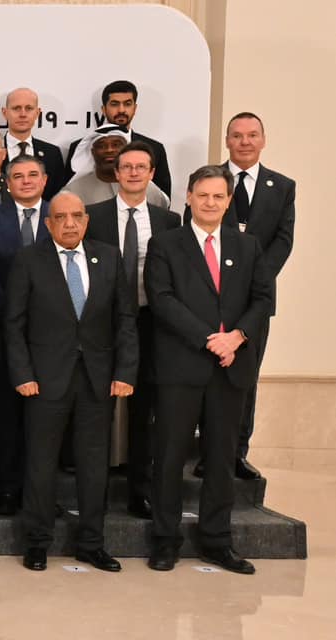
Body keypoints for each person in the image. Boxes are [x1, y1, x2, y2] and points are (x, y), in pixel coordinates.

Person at [143, 166, 273, 575]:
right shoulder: (166, 244)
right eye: (203, 195)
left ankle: (217, 541)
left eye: (218, 196)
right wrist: (208, 339)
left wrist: (237, 337)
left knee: (220, 459)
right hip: (181, 367)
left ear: (229, 200)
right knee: (169, 458)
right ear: (188, 196)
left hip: (230, 368)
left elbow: (263, 299)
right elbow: (162, 299)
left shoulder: (248, 245)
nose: (210, 203)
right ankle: (165, 541)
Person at [4, 192, 137, 573]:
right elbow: (13, 323)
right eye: (60, 217)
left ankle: (91, 543)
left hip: (97, 379)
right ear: (48, 224)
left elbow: (125, 319)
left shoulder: (108, 257)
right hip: (44, 380)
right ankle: (37, 542)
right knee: (40, 463)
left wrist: (125, 372)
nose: (69, 223)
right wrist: (23, 374)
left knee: (94, 465)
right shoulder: (29, 260)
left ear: (86, 220)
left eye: (77, 216)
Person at [83, 142, 180, 517]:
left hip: (150, 321)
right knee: (96, 408)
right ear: (117, 173)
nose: (134, 173)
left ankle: (140, 490)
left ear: (152, 174)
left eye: (142, 167)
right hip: (101, 323)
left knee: (144, 410)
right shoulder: (94, 216)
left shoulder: (168, 221)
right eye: (127, 167)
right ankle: (93, 490)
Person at [0, 155, 52, 515]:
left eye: (33, 175)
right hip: (6, 328)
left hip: (53, 332)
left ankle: (41, 493)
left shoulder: (59, 214)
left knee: (46, 417)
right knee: (7, 417)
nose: (26, 181)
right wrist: (13, 308)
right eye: (18, 176)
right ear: (8, 183)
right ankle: (6, 489)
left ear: (45, 180)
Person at [216, 112, 294, 479]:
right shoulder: (208, 179)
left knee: (246, 378)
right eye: (237, 135)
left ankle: (238, 453)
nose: (244, 142)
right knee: (210, 379)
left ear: (263, 140)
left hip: (256, 300)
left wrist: (253, 281)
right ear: (227, 141)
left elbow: (283, 241)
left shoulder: (283, 186)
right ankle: (209, 452)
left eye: (252, 135)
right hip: (212, 295)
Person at [65, 80, 171, 195]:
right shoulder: (79, 147)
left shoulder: (155, 149)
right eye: (114, 104)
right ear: (103, 110)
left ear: (135, 108)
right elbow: (68, 194)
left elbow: (163, 199)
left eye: (127, 104)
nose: (121, 110)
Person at [64, 126, 170, 209]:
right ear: (93, 152)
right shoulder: (72, 192)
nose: (109, 150)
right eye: (101, 146)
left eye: (116, 145)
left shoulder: (149, 189)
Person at [0, 88, 71, 197]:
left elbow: (57, 197)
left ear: (37, 113)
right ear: (5, 112)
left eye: (29, 108)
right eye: (16, 108)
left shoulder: (52, 153)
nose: (23, 114)